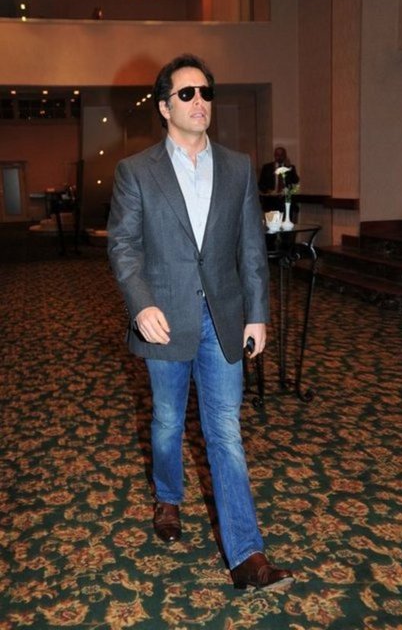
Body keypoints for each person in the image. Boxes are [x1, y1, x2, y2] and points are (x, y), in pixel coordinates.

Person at [107, 53, 294, 592]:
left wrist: (257, 314)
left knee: (225, 431)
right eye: (186, 93)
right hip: (164, 319)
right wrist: (140, 304)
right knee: (167, 421)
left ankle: (247, 556)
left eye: (206, 92)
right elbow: (123, 248)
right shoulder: (136, 171)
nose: (199, 102)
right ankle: (168, 496)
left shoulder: (237, 167)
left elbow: (251, 250)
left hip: (224, 318)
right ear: (165, 107)